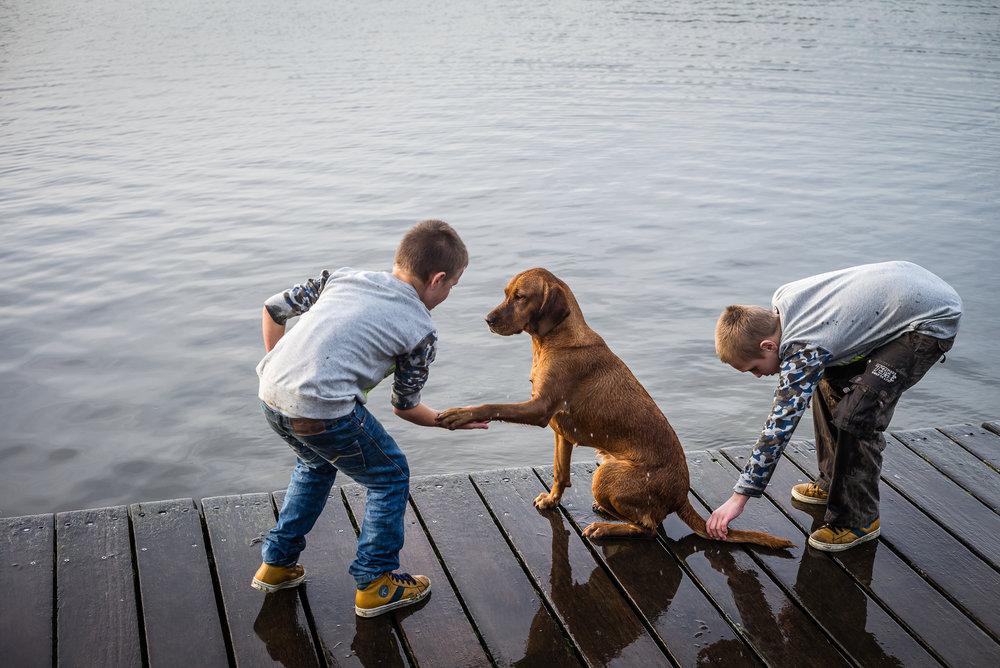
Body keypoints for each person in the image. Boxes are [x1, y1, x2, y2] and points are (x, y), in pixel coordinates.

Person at [250, 219, 488, 617]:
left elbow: (273, 309)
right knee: (390, 474)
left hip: (269, 395)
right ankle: (376, 581)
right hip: (323, 411)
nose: (447, 295)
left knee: (315, 464)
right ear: (438, 279)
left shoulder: (341, 278)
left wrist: (279, 364)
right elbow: (405, 406)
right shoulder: (420, 329)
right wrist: (447, 419)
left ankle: (277, 564)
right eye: (452, 287)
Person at [707, 261, 961, 551]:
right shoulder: (783, 303)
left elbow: (778, 428)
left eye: (754, 368)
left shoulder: (806, 347)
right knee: (825, 382)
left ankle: (858, 520)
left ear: (767, 346)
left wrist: (739, 497)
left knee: (859, 414)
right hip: (908, 286)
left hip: (930, 321)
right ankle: (831, 483)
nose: (758, 376)